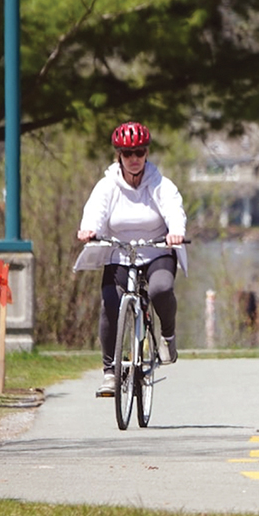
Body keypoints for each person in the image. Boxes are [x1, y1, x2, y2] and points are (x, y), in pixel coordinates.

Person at [76, 122, 188, 397]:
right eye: (128, 154)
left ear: (147, 153)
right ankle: (110, 373)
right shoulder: (107, 186)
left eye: (139, 152)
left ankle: (168, 337)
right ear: (119, 156)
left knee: (161, 289)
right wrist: (89, 229)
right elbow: (96, 212)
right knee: (110, 305)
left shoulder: (160, 184)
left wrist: (176, 233)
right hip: (120, 253)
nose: (134, 159)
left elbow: (174, 210)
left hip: (156, 251)